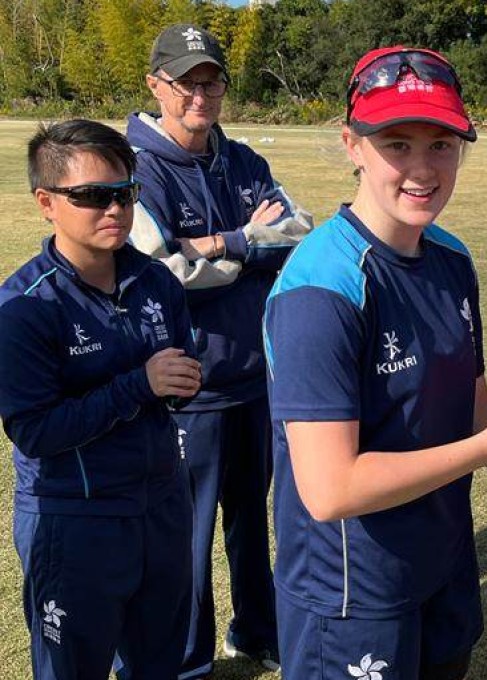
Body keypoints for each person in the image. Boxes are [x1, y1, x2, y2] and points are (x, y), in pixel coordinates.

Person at [263, 45, 487, 679]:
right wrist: (485, 450)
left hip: (444, 567)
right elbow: (329, 490)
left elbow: (477, 413)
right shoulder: (321, 289)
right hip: (354, 594)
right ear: (353, 144)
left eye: (441, 145)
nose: (422, 169)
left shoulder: (451, 260)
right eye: (397, 144)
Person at [126, 23, 313, 677]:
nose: (200, 94)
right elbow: (160, 272)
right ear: (156, 85)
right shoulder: (135, 166)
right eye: (186, 82)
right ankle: (182, 658)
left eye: (211, 81)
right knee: (184, 532)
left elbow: (299, 228)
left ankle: (256, 628)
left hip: (253, 377)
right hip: (187, 387)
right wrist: (240, 242)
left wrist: (211, 246)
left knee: (250, 522)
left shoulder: (241, 160)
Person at [0, 119, 201, 679]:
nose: (113, 209)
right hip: (76, 520)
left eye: (124, 193)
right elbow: (36, 431)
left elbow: (179, 377)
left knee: (158, 665)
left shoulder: (157, 282)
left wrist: (184, 384)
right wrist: (140, 384)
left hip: (160, 508)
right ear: (47, 202)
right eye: (92, 196)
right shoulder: (25, 308)